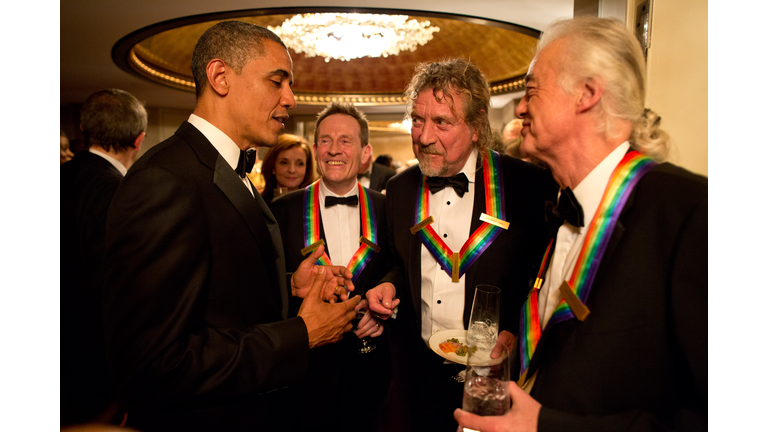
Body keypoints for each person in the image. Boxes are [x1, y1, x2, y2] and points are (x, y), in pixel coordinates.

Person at [101, 21, 360, 432]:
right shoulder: (165, 180)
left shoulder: (226, 169)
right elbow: (152, 366)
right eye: (277, 81)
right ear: (220, 77)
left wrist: (291, 285)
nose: (291, 99)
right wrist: (301, 334)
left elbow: (216, 289)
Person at [454, 17, 707, 431]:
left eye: (531, 90)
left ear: (587, 95)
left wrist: (544, 426)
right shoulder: (562, 204)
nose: (519, 107)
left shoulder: (693, 212)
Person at [366, 58, 557, 431]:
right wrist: (388, 284)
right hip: (417, 378)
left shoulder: (528, 187)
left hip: (496, 380)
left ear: (476, 126)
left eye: (442, 122)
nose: (423, 137)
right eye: (417, 120)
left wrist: (519, 332)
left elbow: (546, 276)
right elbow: (399, 266)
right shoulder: (401, 188)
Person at [271, 102, 391, 432]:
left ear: (365, 152)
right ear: (315, 149)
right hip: (305, 370)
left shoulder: (388, 207)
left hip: (371, 366)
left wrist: (386, 312)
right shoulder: (280, 211)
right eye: (325, 140)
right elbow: (266, 285)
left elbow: (402, 271)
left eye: (345, 141)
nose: (334, 149)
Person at [60, 88, 147, 427]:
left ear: (85, 130)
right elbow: (120, 294)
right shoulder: (123, 195)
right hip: (95, 368)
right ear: (138, 140)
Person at [259, 133, 314, 203]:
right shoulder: (258, 205)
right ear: (272, 167)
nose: (292, 170)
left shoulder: (315, 205)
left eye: (300, 164)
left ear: (307, 168)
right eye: (284, 163)